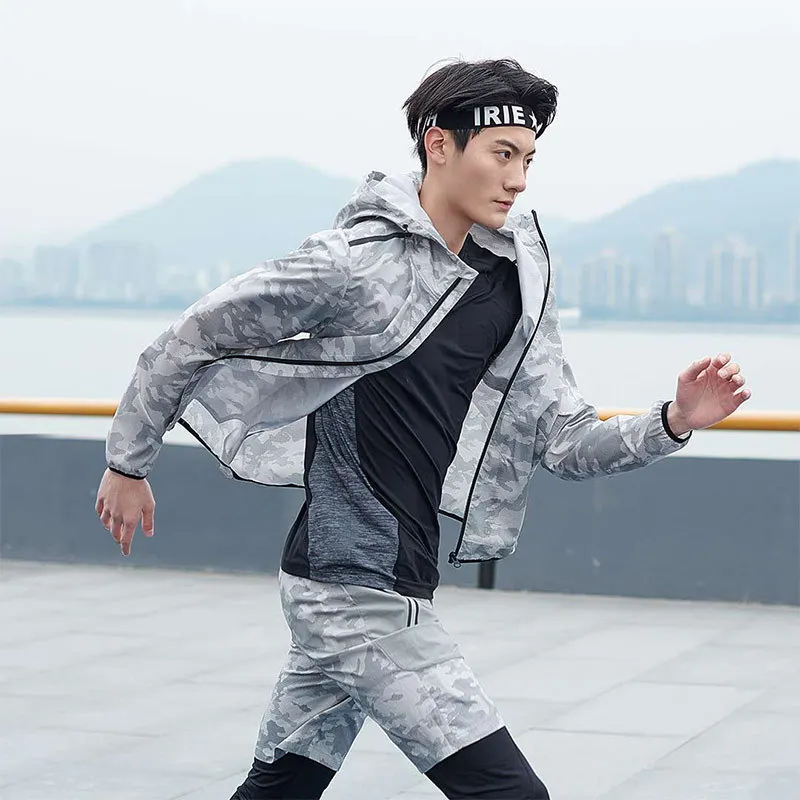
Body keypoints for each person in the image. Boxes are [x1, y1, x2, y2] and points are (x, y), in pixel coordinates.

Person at [95, 58, 751, 799]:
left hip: (396, 577)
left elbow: (562, 441)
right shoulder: (352, 266)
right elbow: (192, 336)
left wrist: (672, 421)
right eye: (502, 154)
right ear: (440, 145)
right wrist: (128, 462)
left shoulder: (511, 283)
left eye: (528, 160)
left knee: (281, 789)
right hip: (351, 592)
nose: (519, 180)